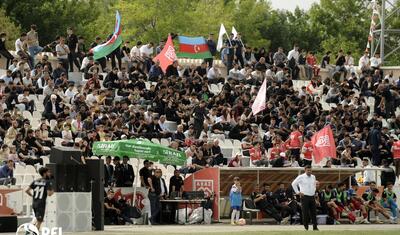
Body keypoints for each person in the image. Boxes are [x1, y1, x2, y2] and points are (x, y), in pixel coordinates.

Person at [25, 167, 54, 231]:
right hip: (41, 204)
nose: (49, 173)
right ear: (44, 173)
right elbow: (49, 194)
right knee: (39, 222)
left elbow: (26, 190)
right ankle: (31, 232)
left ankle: (29, 231)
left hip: (34, 203)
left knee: (37, 219)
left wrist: (33, 196)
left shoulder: (35, 181)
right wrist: (53, 190)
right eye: (48, 172)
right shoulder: (47, 182)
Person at [291, 165, 318, 231]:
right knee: (305, 212)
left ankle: (315, 227)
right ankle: (306, 227)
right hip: (304, 196)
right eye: (308, 170)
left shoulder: (313, 177)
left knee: (314, 213)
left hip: (312, 196)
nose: (309, 171)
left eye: (310, 170)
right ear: (305, 170)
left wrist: (314, 190)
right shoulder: (301, 177)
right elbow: (293, 184)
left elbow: (314, 184)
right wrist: (298, 192)